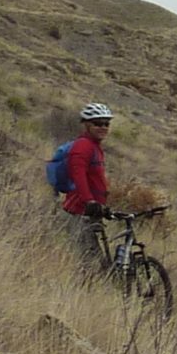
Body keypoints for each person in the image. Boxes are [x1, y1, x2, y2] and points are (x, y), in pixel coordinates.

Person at [57, 102, 114, 266]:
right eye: (98, 123)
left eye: (106, 123)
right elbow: (78, 175)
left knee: (97, 260)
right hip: (79, 211)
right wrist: (89, 201)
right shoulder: (83, 146)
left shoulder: (95, 146)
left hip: (92, 211)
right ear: (87, 125)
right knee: (88, 263)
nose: (103, 127)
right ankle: (82, 290)